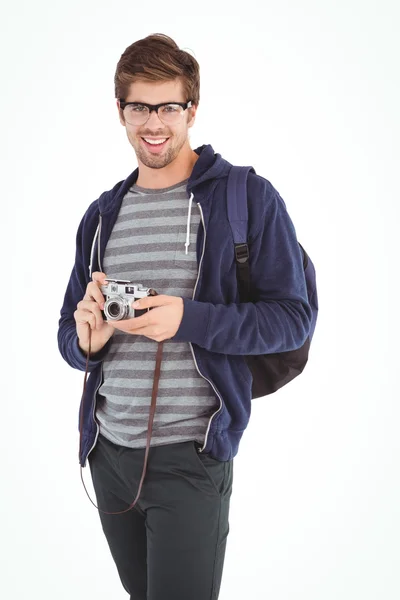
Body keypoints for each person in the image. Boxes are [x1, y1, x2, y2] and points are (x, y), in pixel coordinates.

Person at [57, 33, 312, 600]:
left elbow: (293, 320)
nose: (154, 122)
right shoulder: (102, 214)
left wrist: (188, 320)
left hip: (190, 459)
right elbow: (66, 334)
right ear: (119, 110)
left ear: (191, 109)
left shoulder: (246, 197)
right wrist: (87, 342)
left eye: (168, 106)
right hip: (107, 454)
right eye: (139, 107)